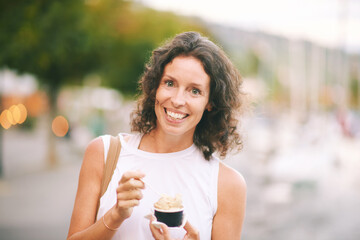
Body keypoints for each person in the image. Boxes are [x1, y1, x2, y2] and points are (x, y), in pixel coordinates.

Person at [67, 31, 247, 240]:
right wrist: (115, 216)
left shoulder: (227, 184)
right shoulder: (104, 153)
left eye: (195, 91)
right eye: (170, 83)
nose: (178, 100)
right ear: (155, 87)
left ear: (210, 103)